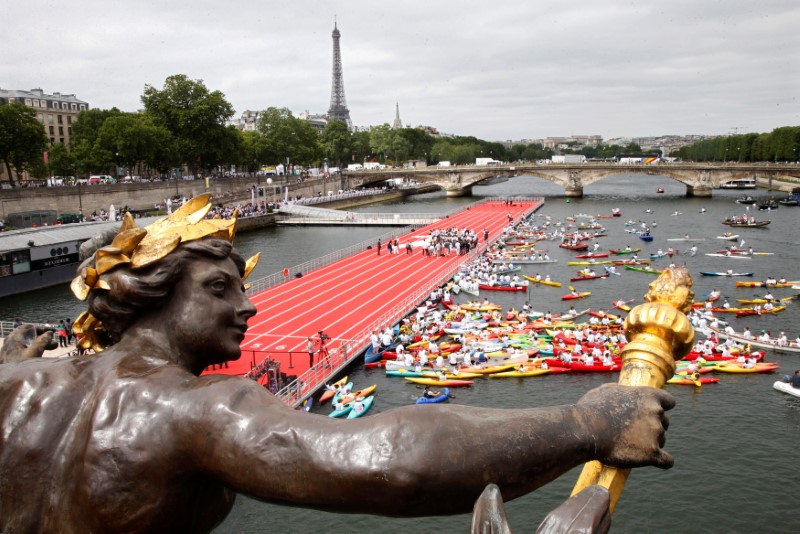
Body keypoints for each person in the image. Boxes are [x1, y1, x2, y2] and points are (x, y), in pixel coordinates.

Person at [0, 196, 677, 531]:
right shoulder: (196, 408)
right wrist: (587, 423)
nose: (249, 307)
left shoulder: (16, 382)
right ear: (147, 294)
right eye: (218, 288)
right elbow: (396, 462)